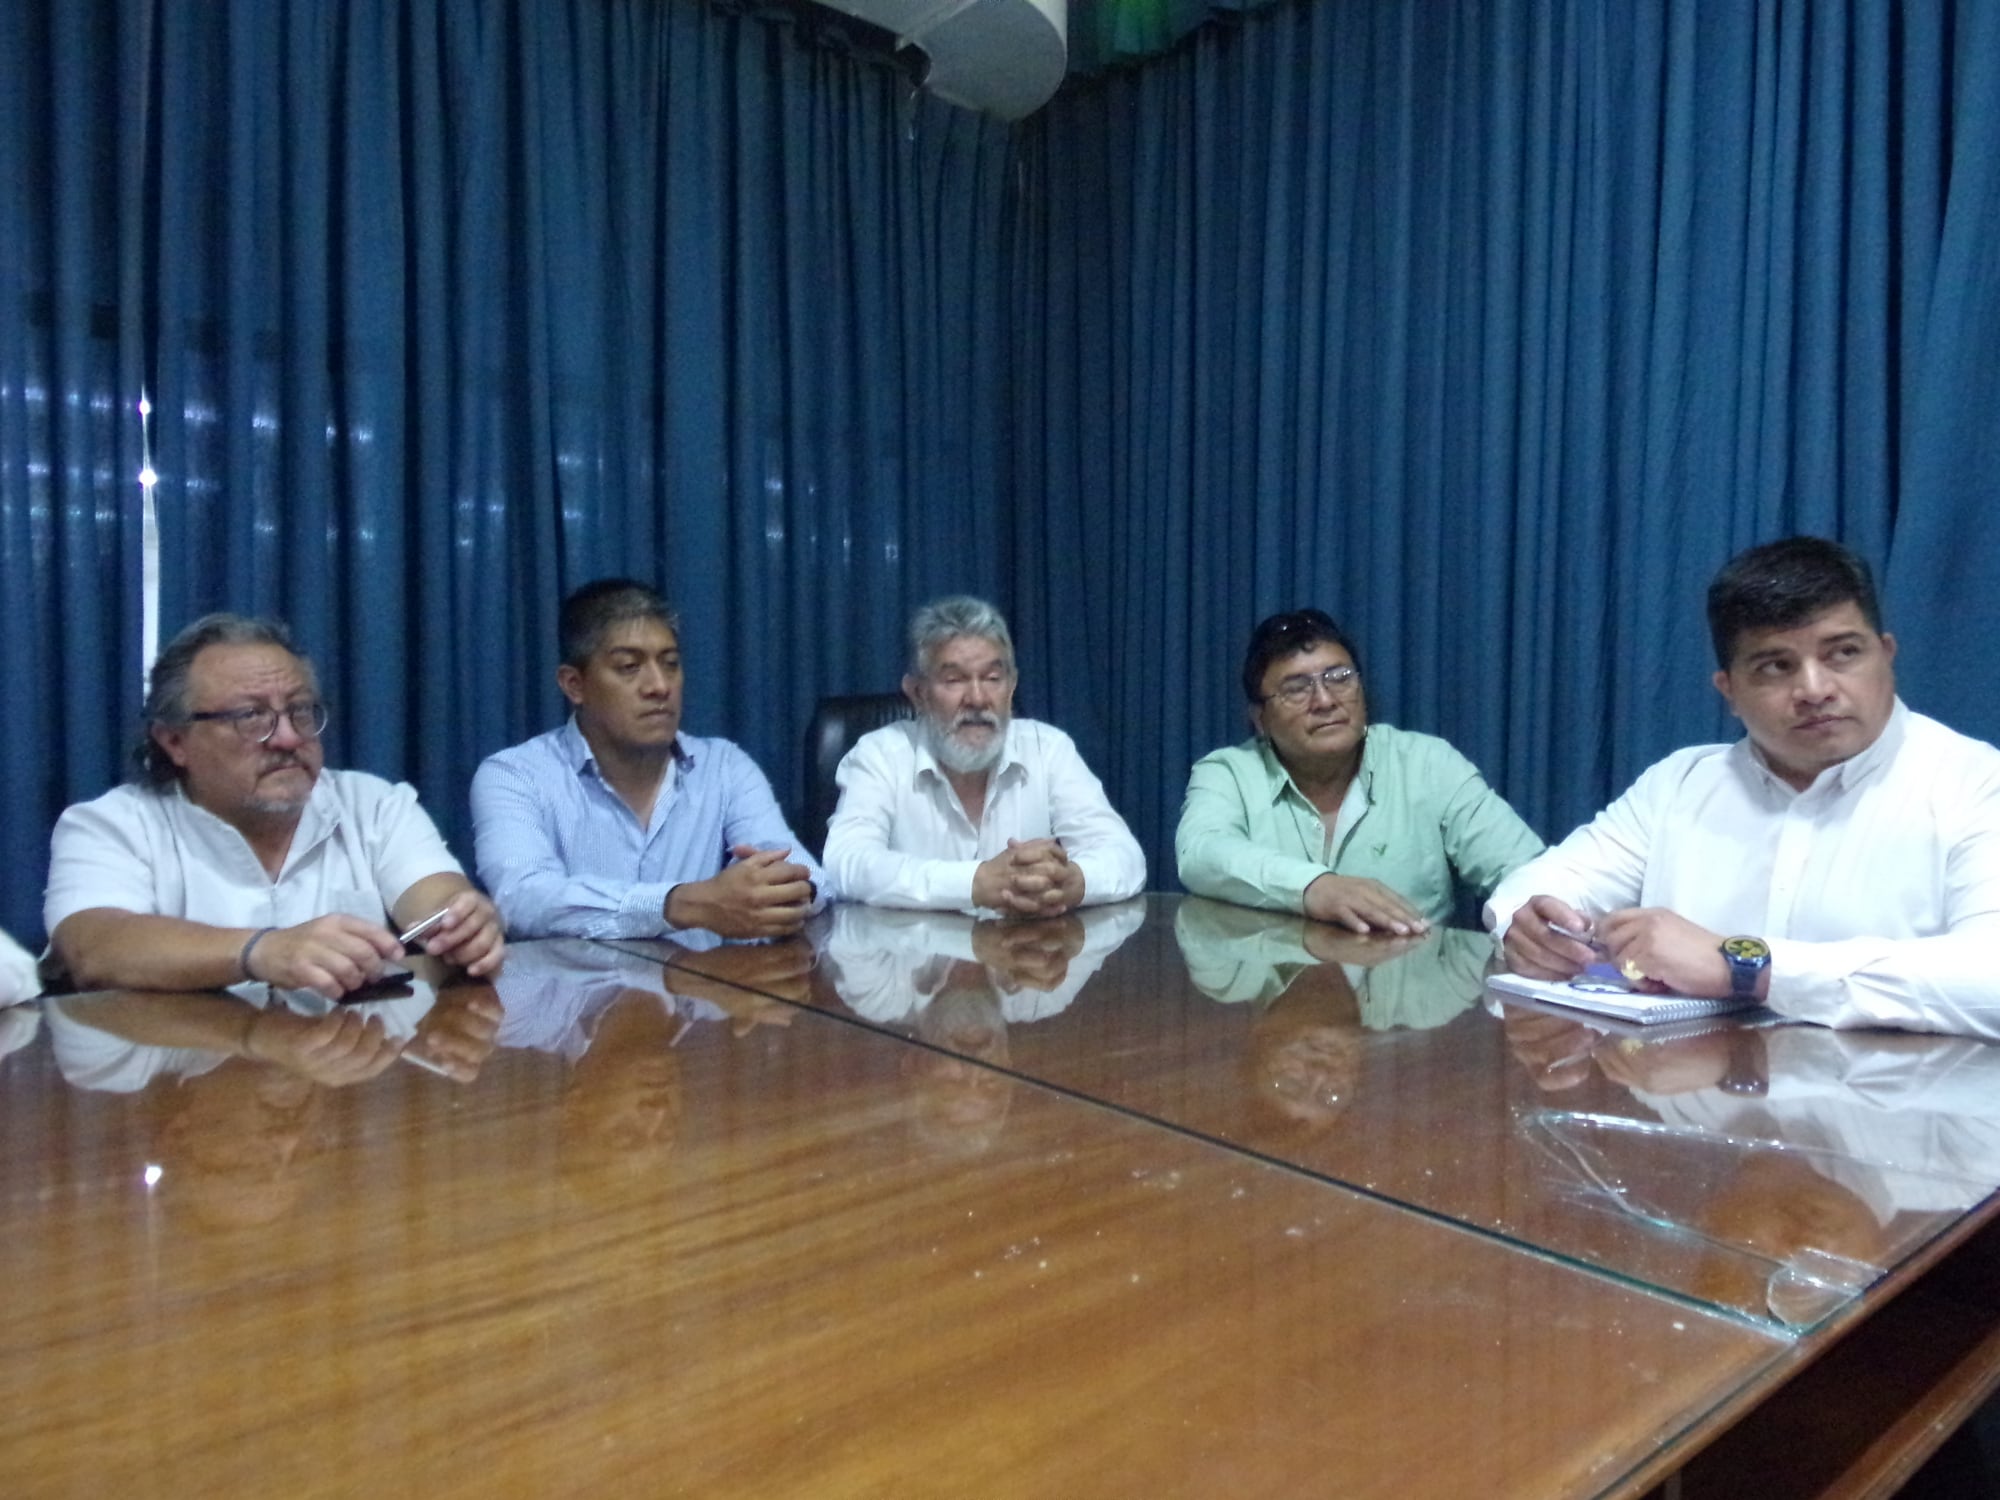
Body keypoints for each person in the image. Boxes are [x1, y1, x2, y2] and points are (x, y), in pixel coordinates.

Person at [1489, 535, 2000, 1037]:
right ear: (1728, 691)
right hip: (1690, 1101)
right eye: (1776, 666)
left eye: (1843, 653)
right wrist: (1533, 926)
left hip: (1906, 1111)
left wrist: (1745, 967)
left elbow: (1990, 979)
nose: (1815, 690)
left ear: (1886, 655)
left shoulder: (1974, 784)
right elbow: (1539, 887)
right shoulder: (1680, 785)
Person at [45, 614, 504, 999]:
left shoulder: (372, 804)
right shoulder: (111, 825)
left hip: (348, 1077)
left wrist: (462, 921)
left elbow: (434, 900)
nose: (287, 738)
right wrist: (261, 951)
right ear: (175, 741)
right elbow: (94, 947)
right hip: (183, 1088)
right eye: (250, 716)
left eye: (300, 711)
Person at [472, 579, 825, 940]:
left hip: (705, 993)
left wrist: (784, 887)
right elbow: (522, 899)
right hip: (578, 996)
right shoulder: (515, 776)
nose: (659, 686)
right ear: (574, 685)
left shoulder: (724, 766)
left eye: (670, 664)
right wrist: (681, 904)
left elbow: (810, 877)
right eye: (629, 667)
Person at [1176, 608, 1543, 934]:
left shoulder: (1426, 763)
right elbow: (1200, 854)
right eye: (1296, 688)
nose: (1325, 700)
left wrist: (1538, 926)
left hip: (1411, 997)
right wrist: (1314, 888)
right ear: (1260, 719)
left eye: (1340, 677)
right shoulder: (1228, 773)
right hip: (1277, 1001)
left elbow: (1528, 872)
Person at [822, 595, 1145, 914]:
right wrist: (974, 884)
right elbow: (847, 863)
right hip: (913, 963)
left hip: (1024, 960)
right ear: (918, 694)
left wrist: (1073, 881)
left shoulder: (1048, 749)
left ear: (1012, 685)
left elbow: (1125, 857)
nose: (977, 698)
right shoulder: (879, 756)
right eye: (954, 680)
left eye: (993, 678)